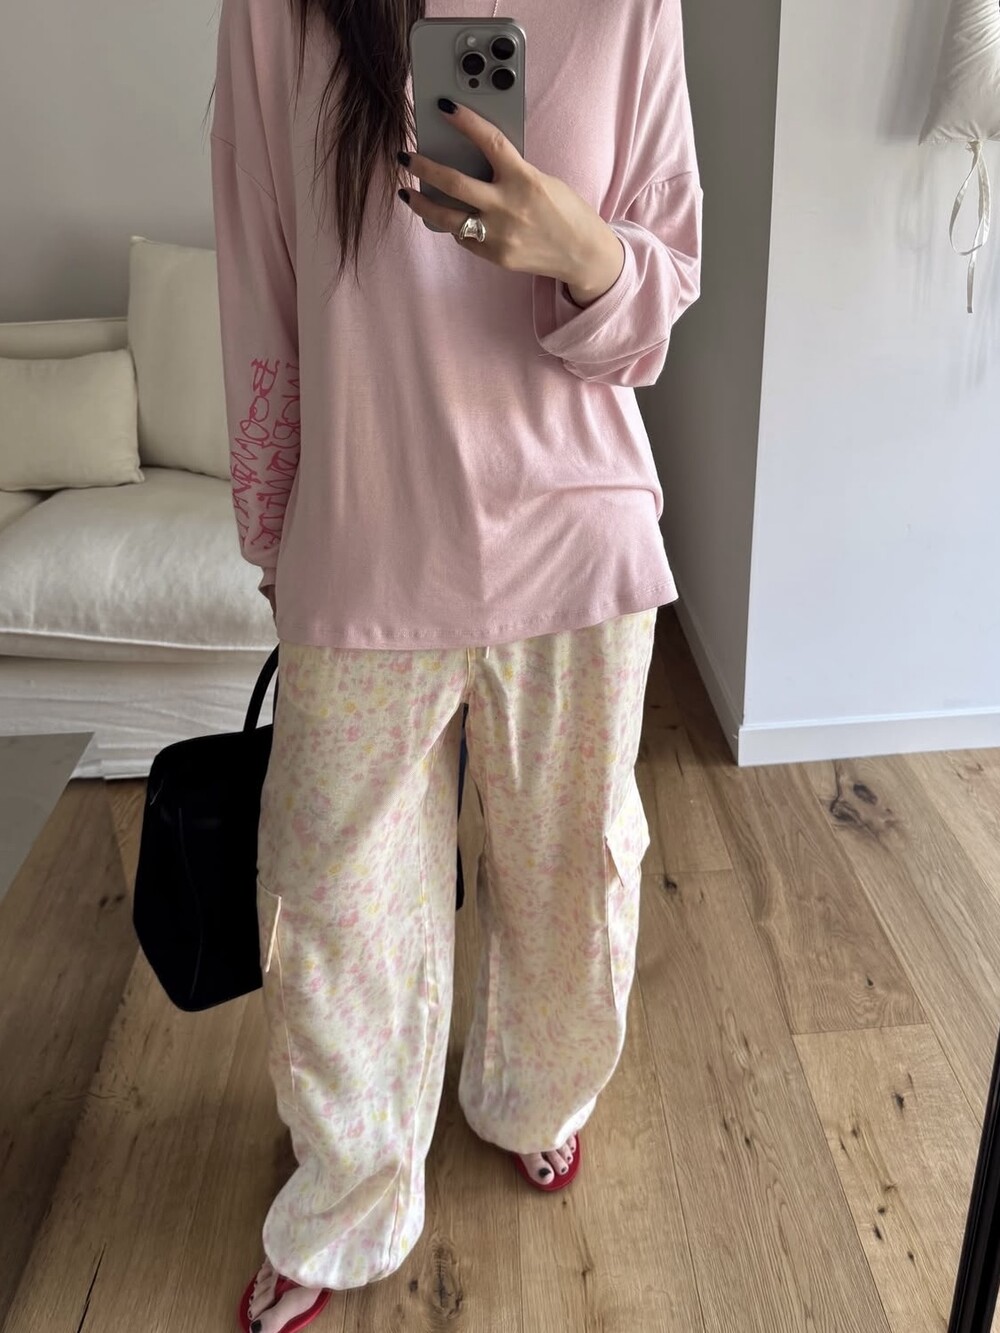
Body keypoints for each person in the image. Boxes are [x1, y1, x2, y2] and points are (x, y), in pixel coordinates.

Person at [209, 0, 701, 1328]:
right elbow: (257, 271)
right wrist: (274, 530)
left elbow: (661, 291)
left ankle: (536, 1097)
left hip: (578, 535)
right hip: (365, 535)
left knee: (570, 868)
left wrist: (580, 252)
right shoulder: (276, 13)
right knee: (329, 901)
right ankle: (348, 1192)